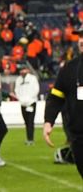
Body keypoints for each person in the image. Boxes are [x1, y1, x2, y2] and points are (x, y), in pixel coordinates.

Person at [43, 31, 83, 179]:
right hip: (79, 135)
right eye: (80, 37)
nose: (81, 40)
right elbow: (56, 97)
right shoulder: (69, 68)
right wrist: (48, 121)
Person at [13, 63, 40, 145]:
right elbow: (17, 90)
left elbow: (36, 89)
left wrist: (29, 99)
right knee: (26, 121)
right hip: (23, 104)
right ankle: (28, 138)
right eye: (21, 70)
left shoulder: (32, 78)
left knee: (30, 121)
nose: (22, 71)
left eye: (24, 69)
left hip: (31, 103)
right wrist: (21, 99)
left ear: (27, 70)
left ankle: (31, 139)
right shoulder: (18, 80)